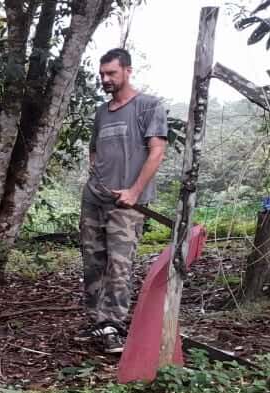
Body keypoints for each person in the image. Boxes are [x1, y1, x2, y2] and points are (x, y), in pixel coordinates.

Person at [80, 48, 168, 354]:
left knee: (119, 265)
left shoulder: (148, 106)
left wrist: (133, 191)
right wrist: (97, 176)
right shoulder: (102, 112)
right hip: (94, 199)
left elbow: (157, 151)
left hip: (126, 204)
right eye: (102, 74)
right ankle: (96, 322)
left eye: (111, 73)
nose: (105, 79)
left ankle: (114, 326)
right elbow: (94, 150)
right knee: (93, 263)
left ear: (127, 71)